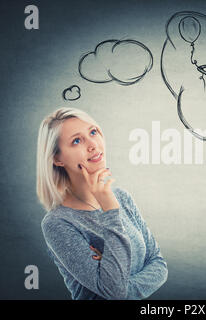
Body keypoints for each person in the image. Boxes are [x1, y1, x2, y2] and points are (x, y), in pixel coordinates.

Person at [37, 107, 168, 300]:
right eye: (76, 141)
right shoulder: (57, 223)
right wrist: (110, 210)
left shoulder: (121, 197)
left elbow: (158, 264)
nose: (93, 145)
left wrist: (120, 286)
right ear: (57, 159)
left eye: (93, 132)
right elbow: (113, 291)